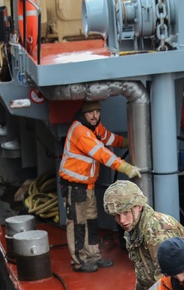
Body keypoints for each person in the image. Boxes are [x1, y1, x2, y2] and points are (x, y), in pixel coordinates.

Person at [58, 100, 141, 273]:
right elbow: (102, 153)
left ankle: (93, 256)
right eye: (90, 112)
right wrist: (125, 167)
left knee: (90, 222)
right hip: (75, 188)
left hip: (87, 187)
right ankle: (79, 262)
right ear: (84, 113)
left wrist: (128, 142)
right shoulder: (80, 131)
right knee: (78, 224)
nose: (95, 115)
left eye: (97, 111)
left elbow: (109, 138)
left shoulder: (94, 128)